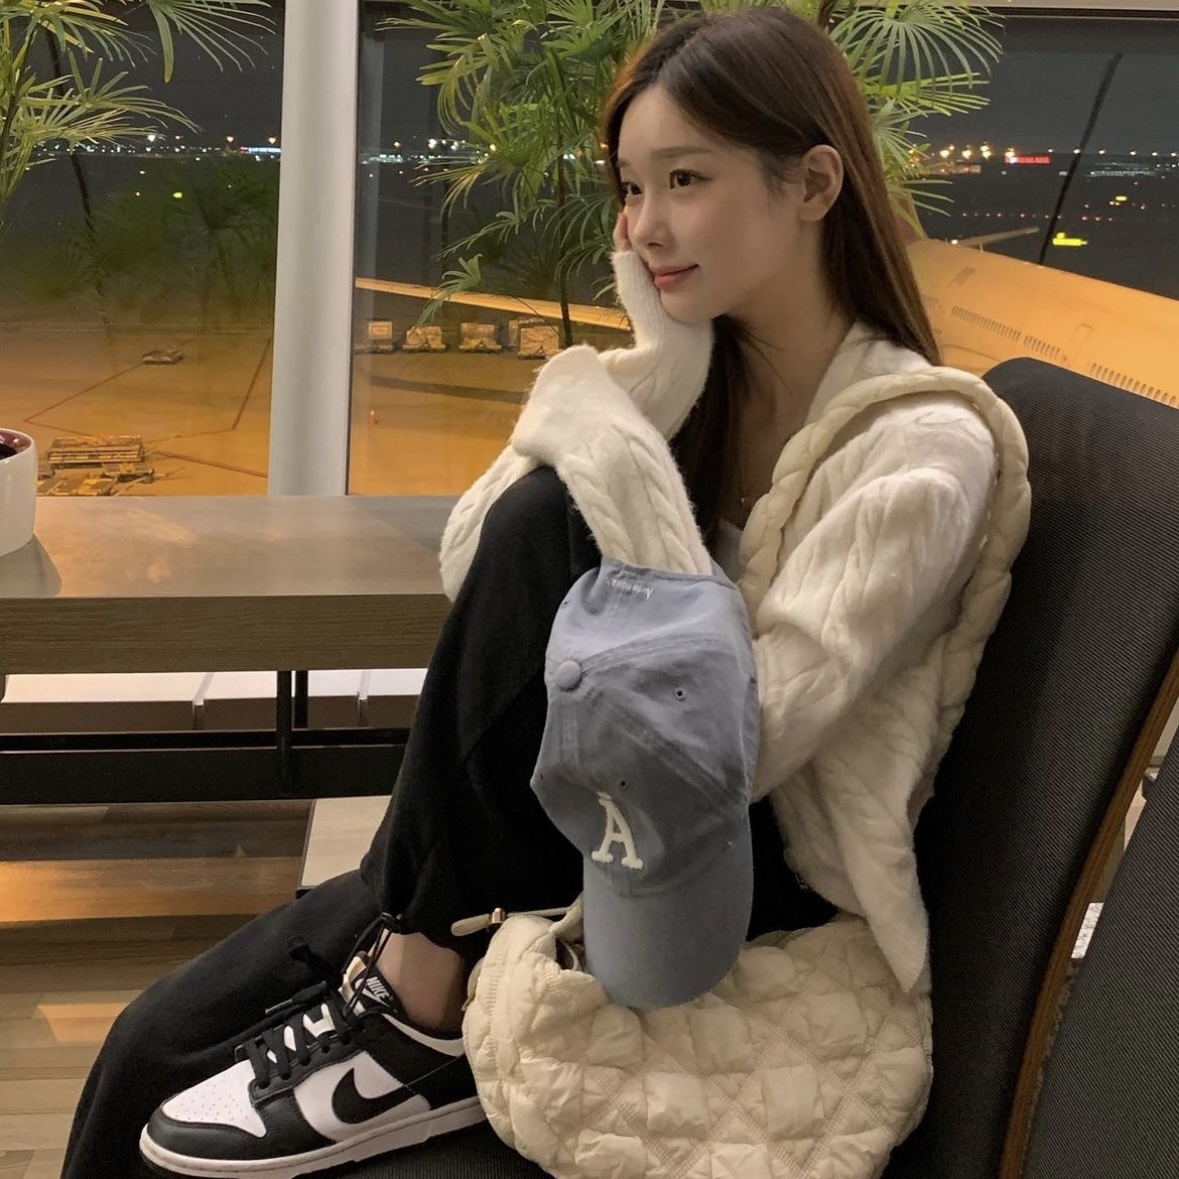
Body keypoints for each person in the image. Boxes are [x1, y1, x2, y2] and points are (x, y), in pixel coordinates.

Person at [64, 8, 1028, 1179]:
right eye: (632, 188)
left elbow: (735, 747)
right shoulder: (693, 385)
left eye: (686, 180)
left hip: (739, 868)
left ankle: (419, 990)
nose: (645, 225)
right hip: (565, 816)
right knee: (150, 1048)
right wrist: (652, 378)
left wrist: (621, 479)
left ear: (815, 184)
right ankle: (415, 961)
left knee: (564, 512)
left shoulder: (917, 450)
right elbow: (478, 566)